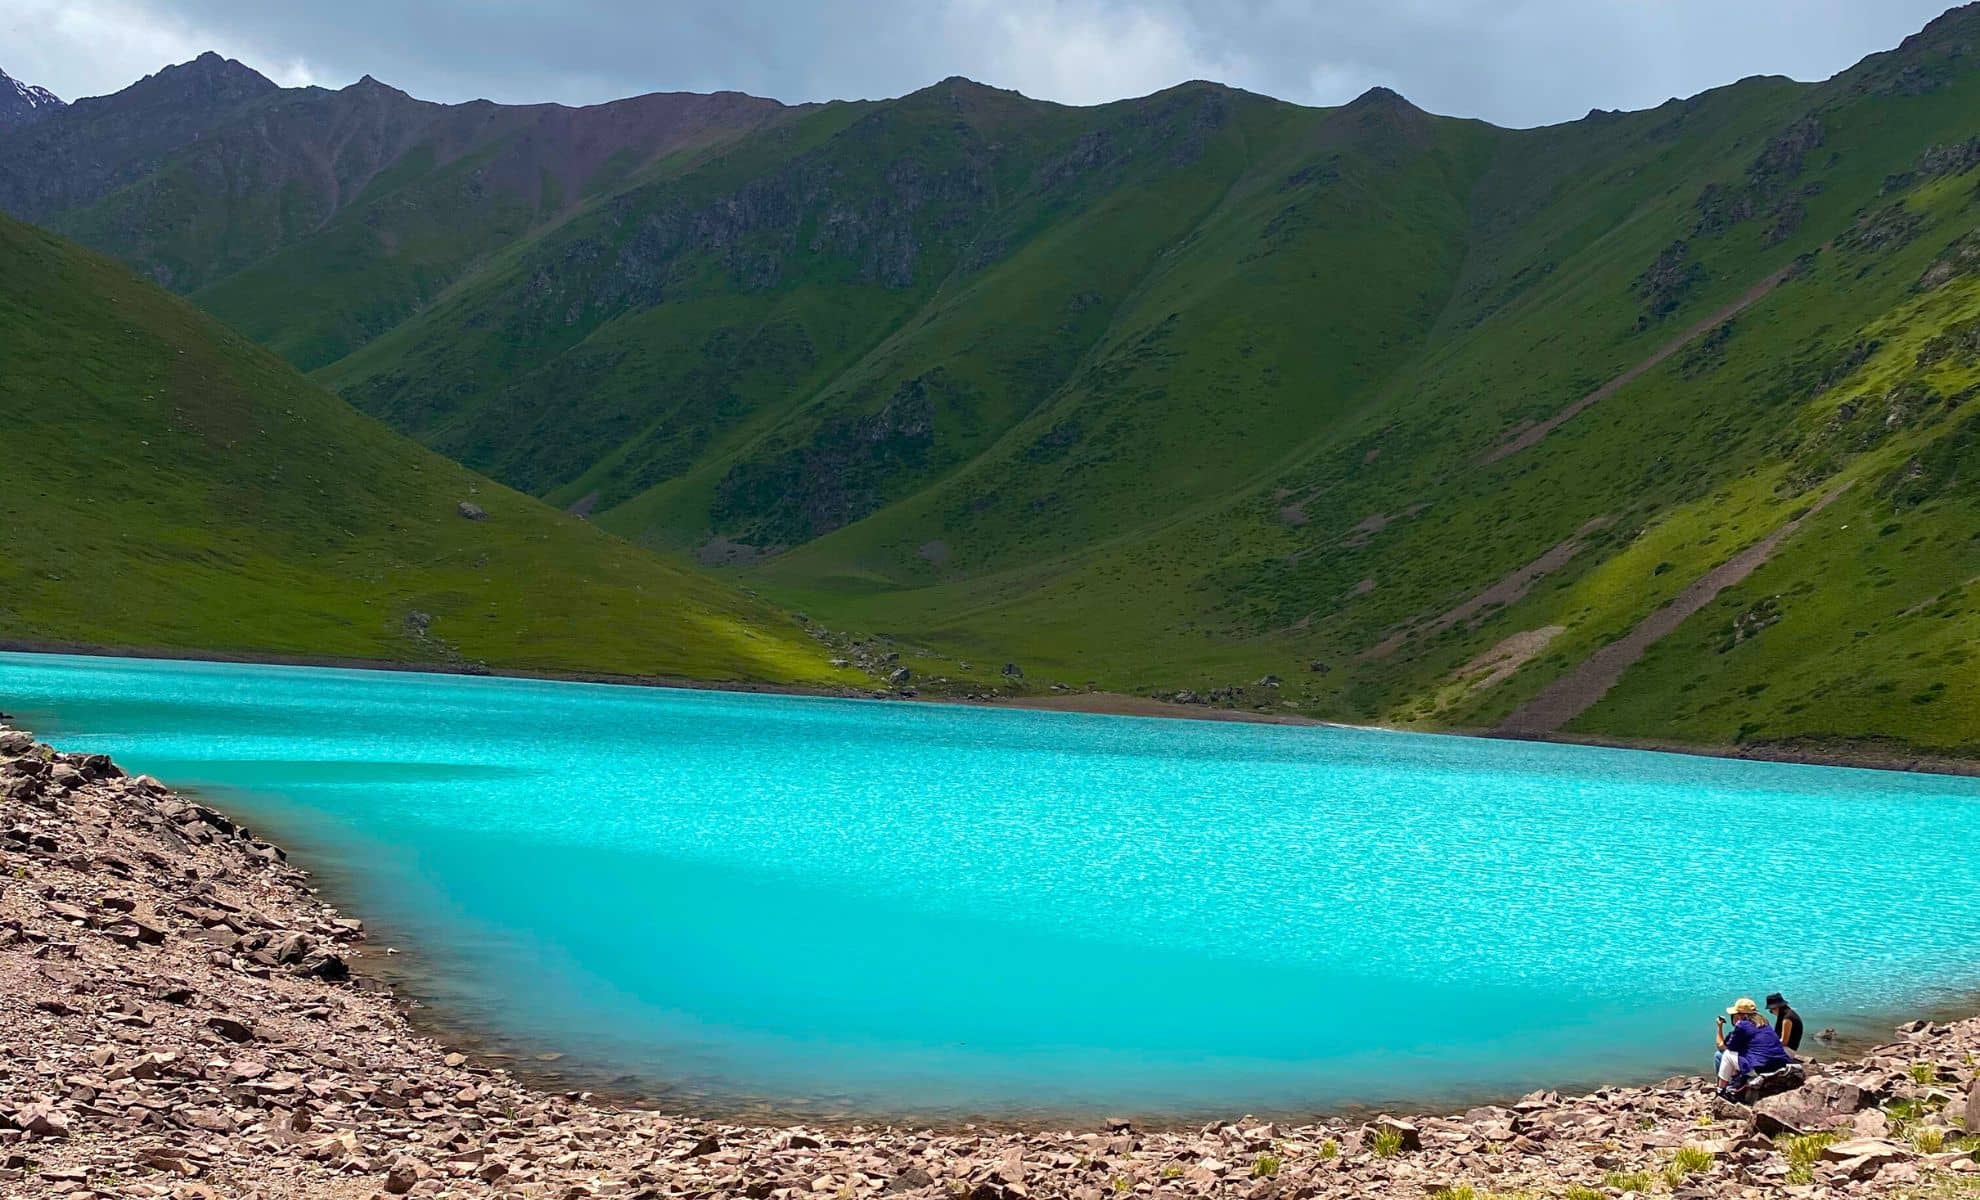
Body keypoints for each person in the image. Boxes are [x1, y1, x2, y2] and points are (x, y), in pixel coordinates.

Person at [1715, 997, 1793, 1099]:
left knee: (1726, 1054)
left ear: (1739, 1015)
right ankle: (1736, 1081)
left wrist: (1719, 1027)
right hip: (1779, 1066)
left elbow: (1722, 1046)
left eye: (1734, 1015)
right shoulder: (1764, 1023)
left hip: (1761, 1069)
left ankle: (1721, 1090)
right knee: (1742, 1054)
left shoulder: (1742, 1025)